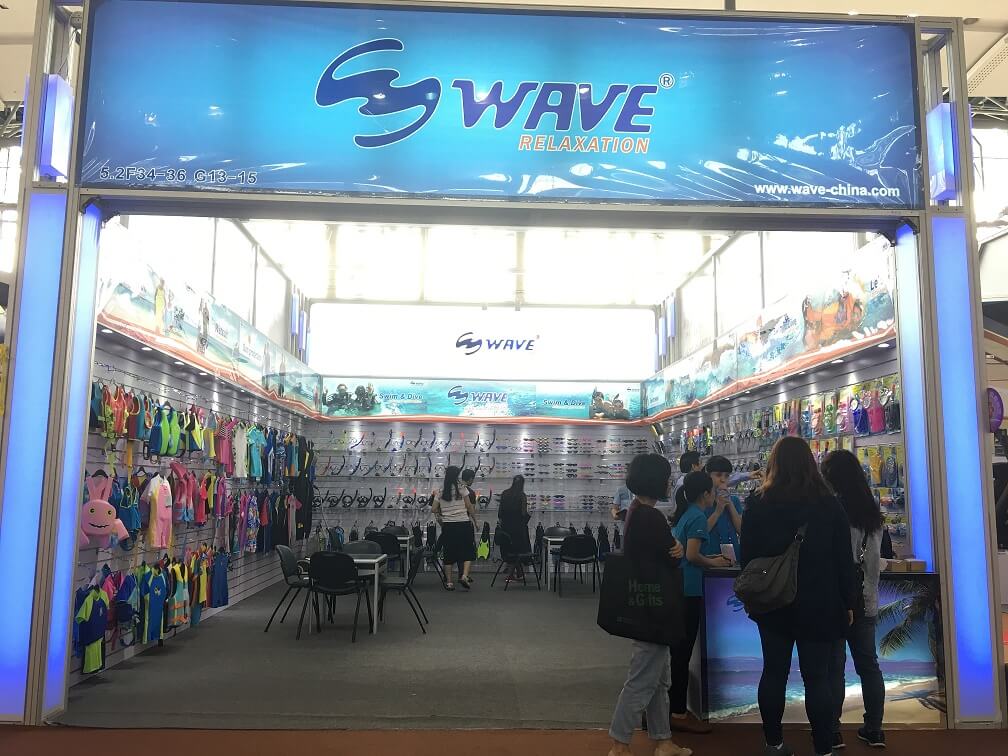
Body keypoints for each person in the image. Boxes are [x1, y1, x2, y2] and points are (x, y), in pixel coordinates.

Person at [739, 436, 857, 756]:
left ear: (773, 464)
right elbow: (844, 559)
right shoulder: (828, 504)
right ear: (810, 463)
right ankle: (823, 747)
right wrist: (849, 601)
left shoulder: (758, 503)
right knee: (817, 678)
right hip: (820, 602)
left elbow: (746, 557)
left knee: (773, 672)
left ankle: (774, 743)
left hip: (772, 602)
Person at [607, 454, 691, 756]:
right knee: (643, 679)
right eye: (666, 477)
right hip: (654, 608)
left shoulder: (635, 511)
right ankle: (619, 743)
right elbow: (673, 555)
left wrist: (674, 549)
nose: (669, 483)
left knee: (658, 679)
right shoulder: (650, 517)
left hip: (647, 604)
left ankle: (663, 740)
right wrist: (676, 549)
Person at [821, 449, 887, 749]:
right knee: (869, 665)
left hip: (838, 599)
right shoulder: (872, 512)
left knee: (834, 667)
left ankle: (832, 731)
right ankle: (874, 728)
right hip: (867, 598)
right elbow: (876, 559)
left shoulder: (834, 510)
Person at [669, 471, 732, 734]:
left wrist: (713, 558)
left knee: (678, 653)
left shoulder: (689, 514)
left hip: (681, 588)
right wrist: (715, 563)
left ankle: (672, 709)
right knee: (682, 654)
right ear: (706, 493)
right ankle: (678, 712)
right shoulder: (695, 516)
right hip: (689, 591)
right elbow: (693, 555)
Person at [431, 465, 477, 591]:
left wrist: (443, 515)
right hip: (463, 524)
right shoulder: (462, 488)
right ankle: (464, 576)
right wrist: (475, 522)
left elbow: (433, 509)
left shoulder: (440, 490)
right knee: (468, 552)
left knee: (449, 555)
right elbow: (469, 506)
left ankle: (449, 583)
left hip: (448, 526)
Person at [499, 475, 532, 553]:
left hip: (505, 529)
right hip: (518, 531)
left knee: (508, 553)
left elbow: (500, 514)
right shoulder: (522, 495)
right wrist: (529, 515)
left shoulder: (504, 493)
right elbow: (523, 514)